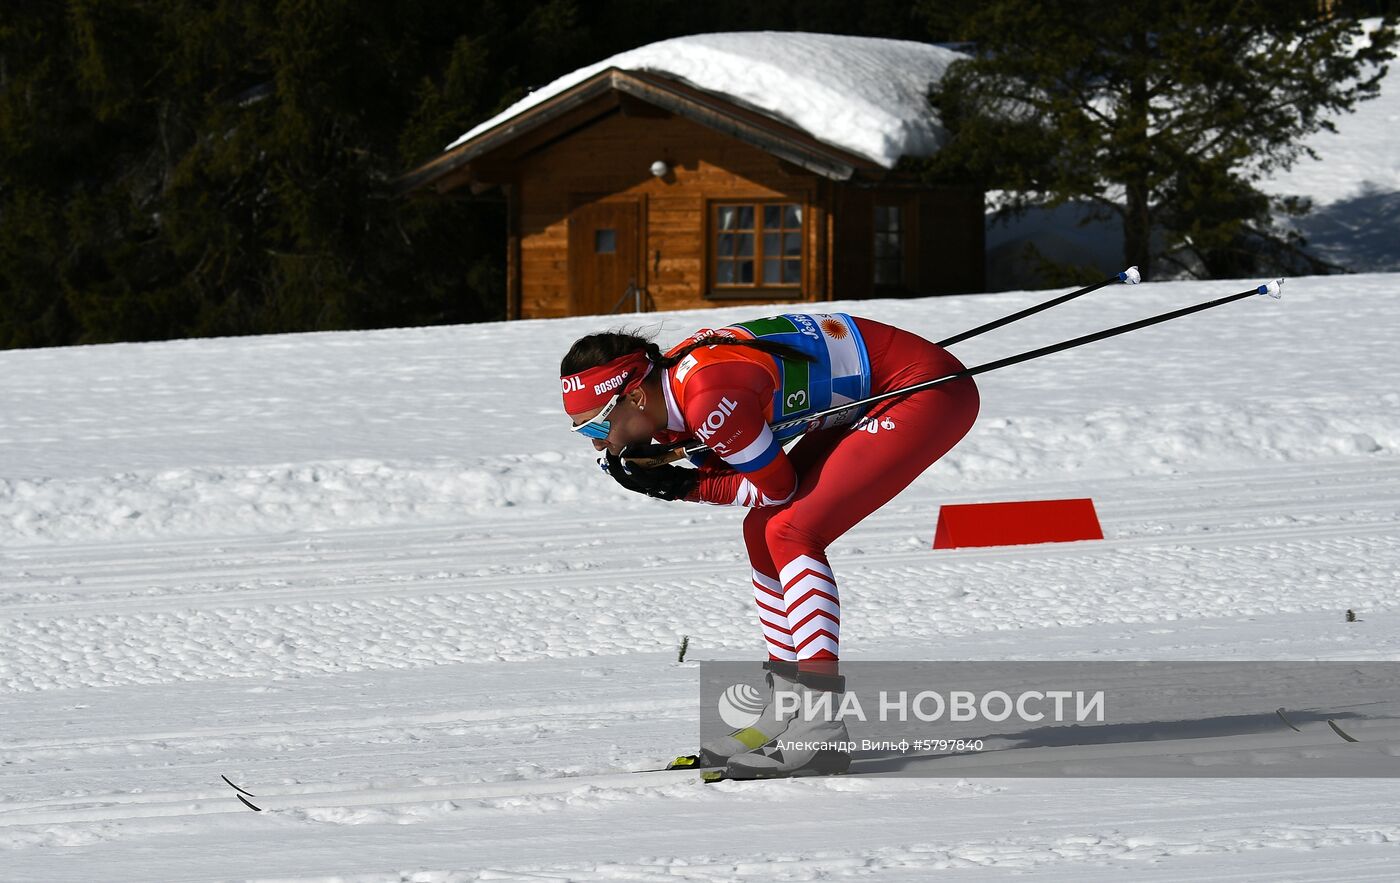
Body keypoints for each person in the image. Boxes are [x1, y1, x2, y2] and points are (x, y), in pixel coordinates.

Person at [561, 312, 979, 778]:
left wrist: (682, 487)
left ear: (635, 396)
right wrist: (678, 470)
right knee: (759, 533)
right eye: (582, 432)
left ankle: (820, 729)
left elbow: (775, 488)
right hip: (866, 391)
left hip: (925, 391)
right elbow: (746, 469)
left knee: (790, 530)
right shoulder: (669, 396)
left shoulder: (706, 399)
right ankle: (785, 713)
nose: (597, 447)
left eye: (595, 429)